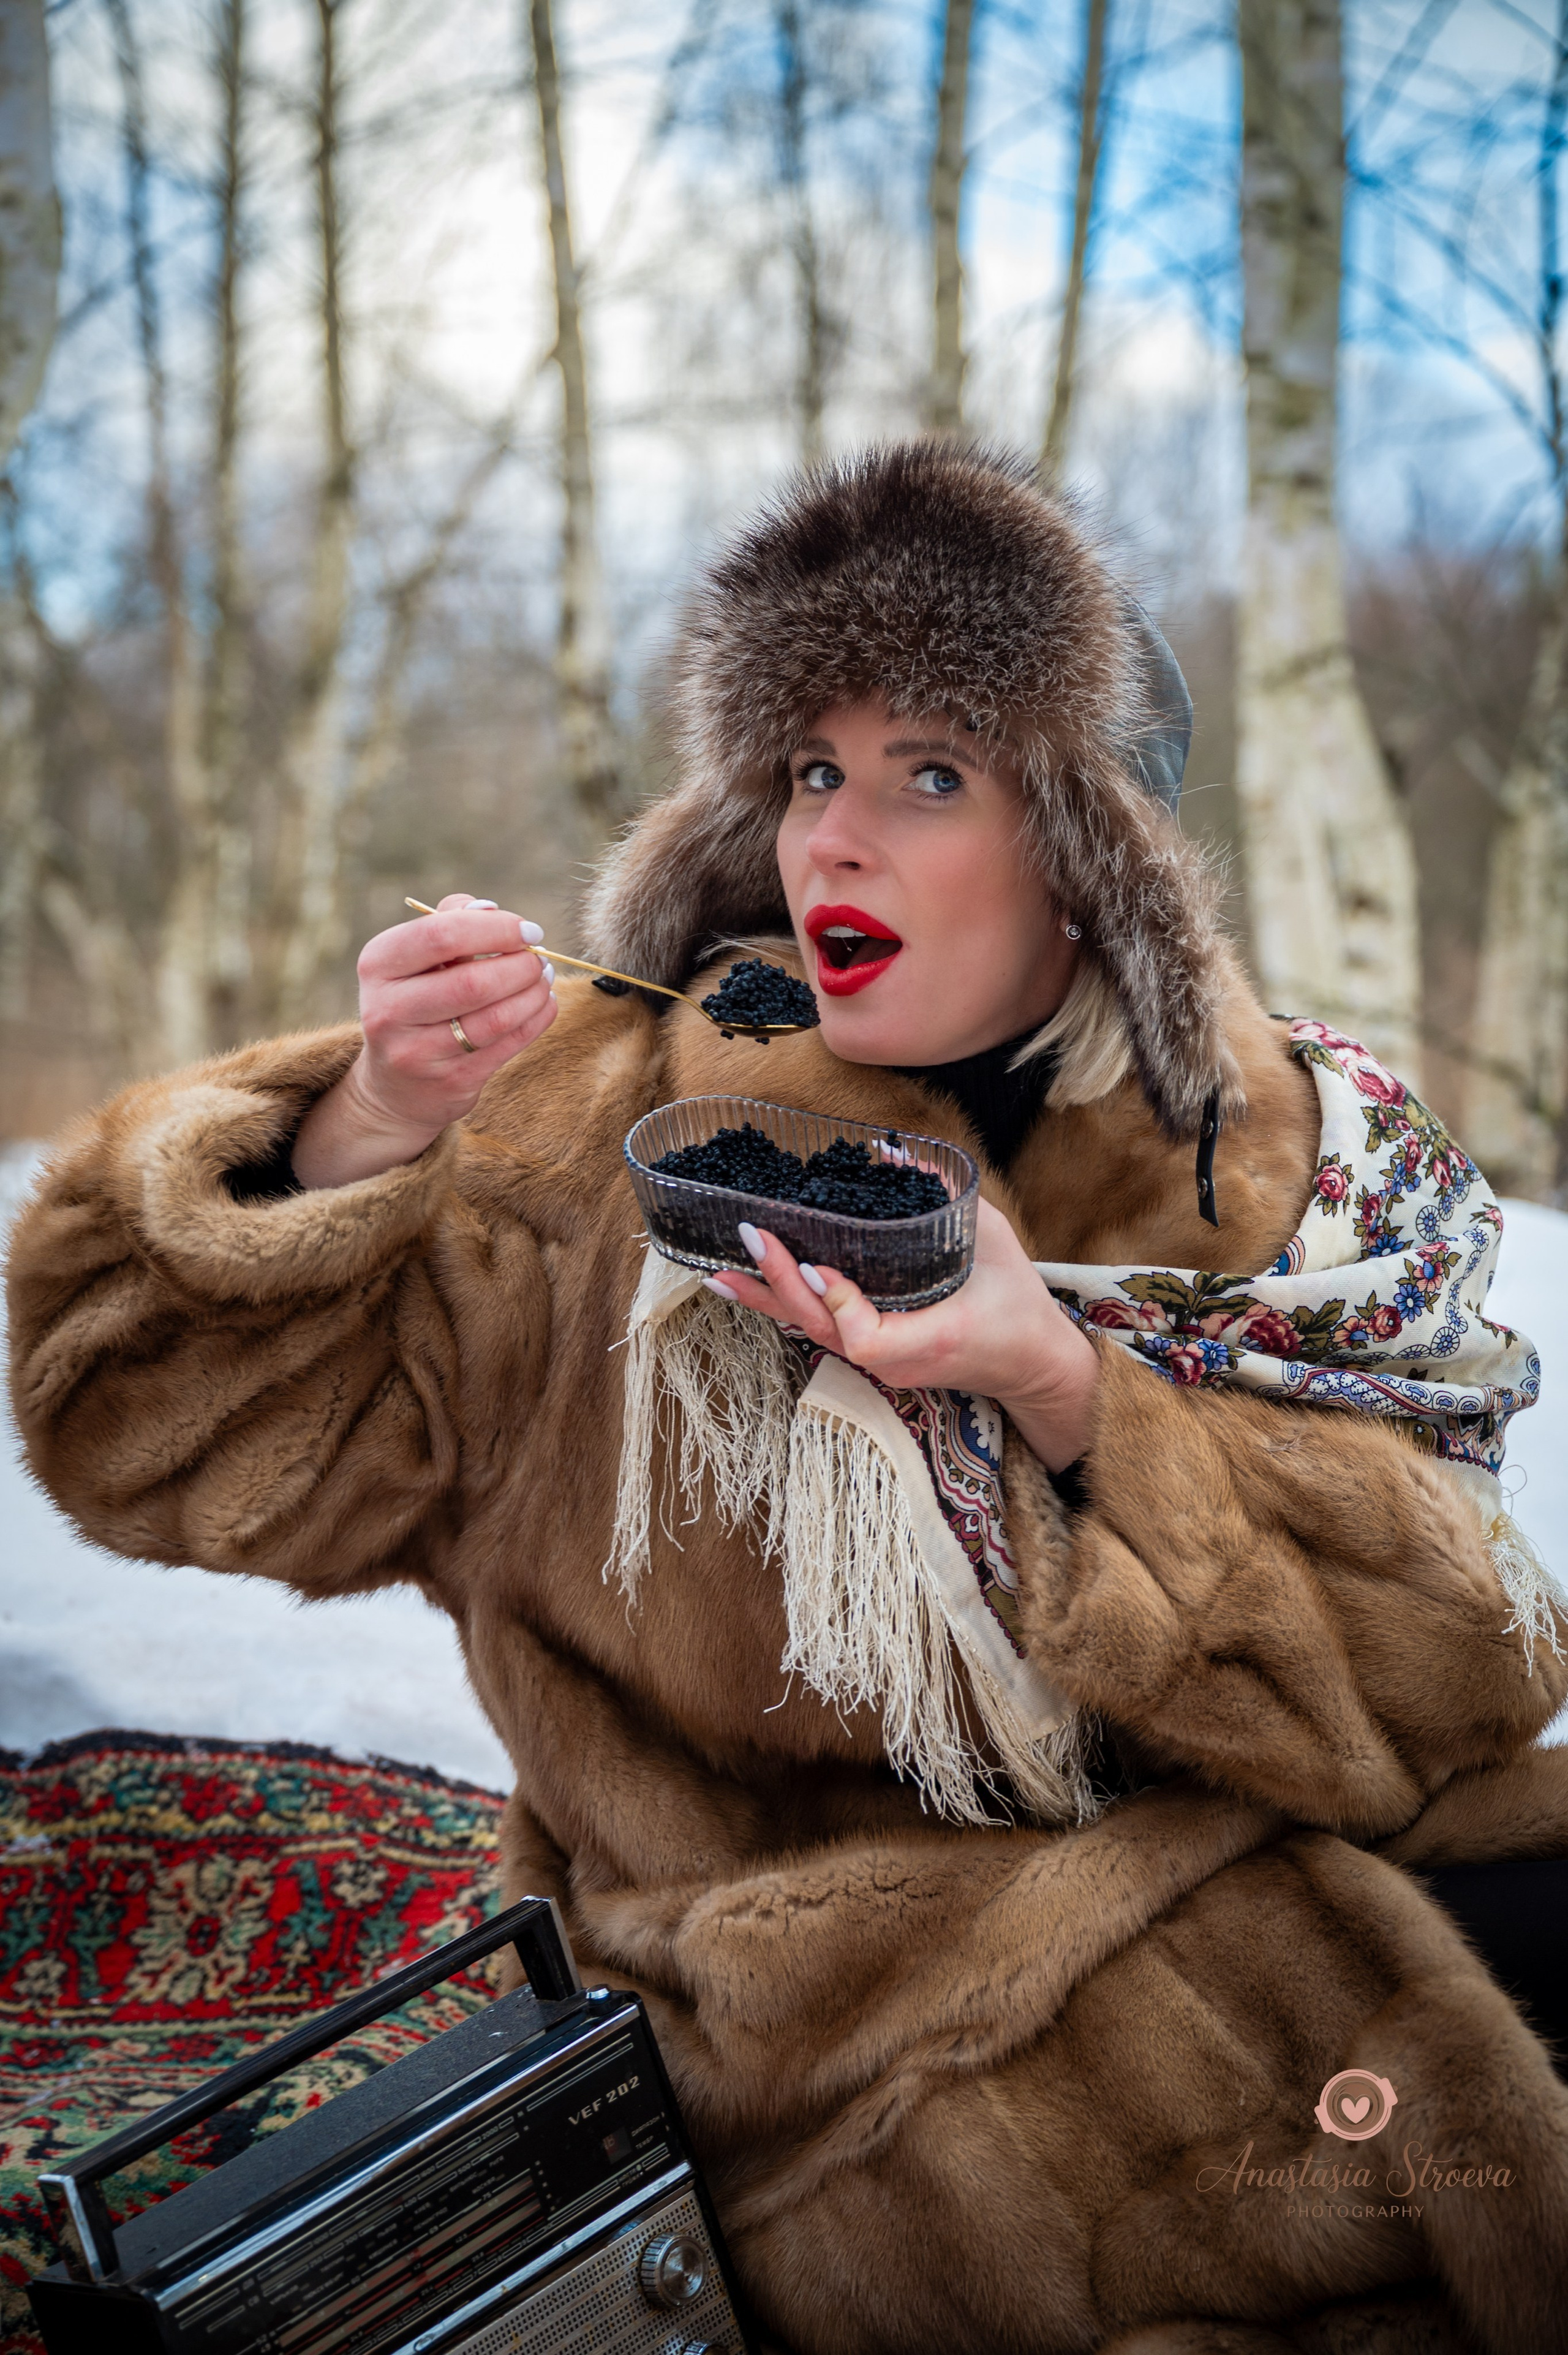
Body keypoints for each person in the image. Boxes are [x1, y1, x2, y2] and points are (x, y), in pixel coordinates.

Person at [9, 442, 1568, 2354]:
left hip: (1282, 1873)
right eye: (813, 771)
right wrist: (363, 1126)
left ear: (1091, 853)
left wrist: (1062, 1383)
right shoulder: (602, 1138)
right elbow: (141, 1442)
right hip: (861, 2044)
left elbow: (1446, 1689)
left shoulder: (1275, 1169)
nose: (830, 840)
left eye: (930, 775)